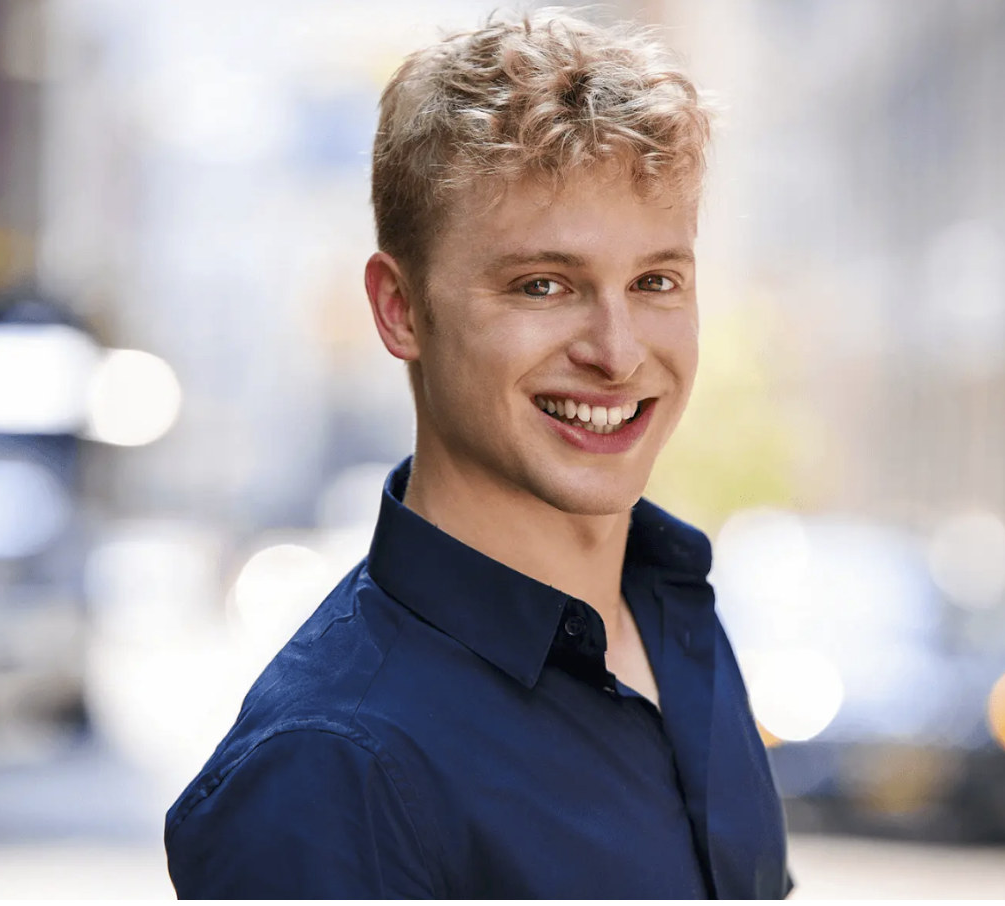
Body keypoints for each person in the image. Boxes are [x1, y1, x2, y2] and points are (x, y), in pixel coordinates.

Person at [164, 9, 793, 899]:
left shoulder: (676, 615)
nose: (616, 351)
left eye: (656, 281)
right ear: (401, 310)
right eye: (544, 285)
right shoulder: (329, 774)